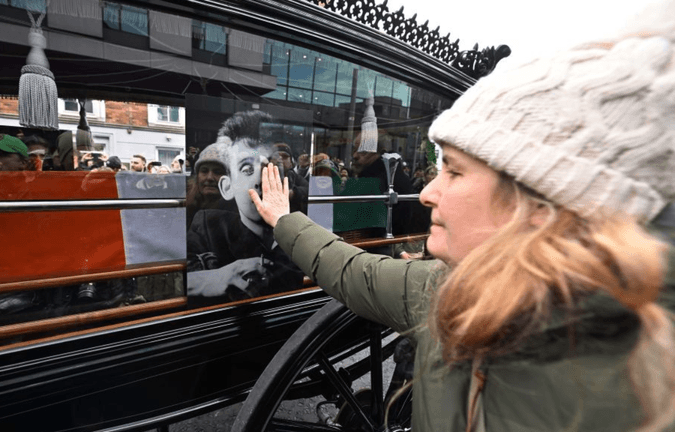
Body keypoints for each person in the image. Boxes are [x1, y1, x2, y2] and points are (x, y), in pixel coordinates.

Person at [248, 9, 675, 432]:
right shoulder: (444, 286)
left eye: (453, 171)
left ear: (540, 204)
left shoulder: (630, 388)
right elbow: (353, 270)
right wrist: (285, 221)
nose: (429, 192)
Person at [187, 110, 304, 305]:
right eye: (247, 169)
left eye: (271, 168)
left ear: (287, 183)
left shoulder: (300, 233)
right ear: (227, 187)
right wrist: (214, 279)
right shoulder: (208, 226)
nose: (260, 179)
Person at [185, 140, 229, 229]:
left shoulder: (235, 214)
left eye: (217, 172)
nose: (209, 178)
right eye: (204, 171)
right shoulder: (188, 205)